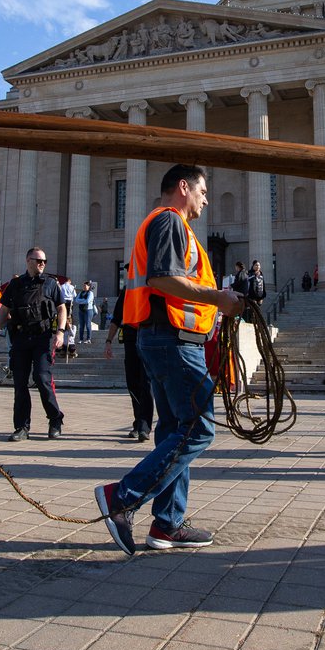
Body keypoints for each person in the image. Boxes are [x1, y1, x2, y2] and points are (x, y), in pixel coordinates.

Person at [94, 164, 243, 555]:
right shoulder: (169, 222)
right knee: (199, 428)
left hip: (164, 339)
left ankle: (166, 525)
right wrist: (220, 299)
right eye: (203, 191)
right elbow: (162, 279)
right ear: (183, 187)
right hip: (172, 341)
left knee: (175, 430)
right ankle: (122, 497)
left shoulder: (170, 226)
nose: (207, 199)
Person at [0, 248, 67, 440]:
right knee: (20, 384)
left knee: (42, 378)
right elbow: (3, 311)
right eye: (39, 261)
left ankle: (55, 419)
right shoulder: (15, 285)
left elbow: (62, 308)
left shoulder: (50, 283)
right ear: (28, 261)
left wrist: (61, 332)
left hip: (43, 338)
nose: (42, 264)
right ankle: (22, 427)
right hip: (21, 338)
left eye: (44, 261)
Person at [103, 288, 154, 441]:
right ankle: (138, 422)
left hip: (149, 338)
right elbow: (117, 318)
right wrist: (108, 341)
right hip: (130, 339)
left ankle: (144, 426)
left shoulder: (151, 286)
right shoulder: (127, 291)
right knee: (133, 383)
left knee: (146, 383)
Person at [59, 275, 78, 358]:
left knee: (64, 313)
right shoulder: (71, 287)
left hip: (63, 302)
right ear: (69, 281)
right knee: (69, 314)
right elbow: (74, 295)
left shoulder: (62, 286)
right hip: (69, 302)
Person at [76, 280, 96, 344]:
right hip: (81, 310)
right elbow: (76, 300)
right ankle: (81, 339)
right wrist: (83, 300)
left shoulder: (90, 293)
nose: (84, 287)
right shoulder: (81, 293)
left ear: (88, 286)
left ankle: (88, 339)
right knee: (81, 326)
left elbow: (87, 301)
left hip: (88, 310)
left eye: (85, 286)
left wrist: (81, 301)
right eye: (83, 285)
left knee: (88, 325)